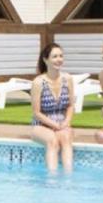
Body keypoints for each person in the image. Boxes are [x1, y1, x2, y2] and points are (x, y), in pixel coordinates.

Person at [30, 43, 75, 173]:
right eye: (55, 56)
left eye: (61, 56)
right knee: (52, 141)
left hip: (62, 124)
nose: (59, 59)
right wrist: (54, 125)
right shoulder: (38, 82)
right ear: (45, 59)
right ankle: (52, 178)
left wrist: (66, 122)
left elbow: (71, 105)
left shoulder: (68, 79)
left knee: (66, 139)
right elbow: (36, 113)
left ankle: (68, 176)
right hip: (41, 125)